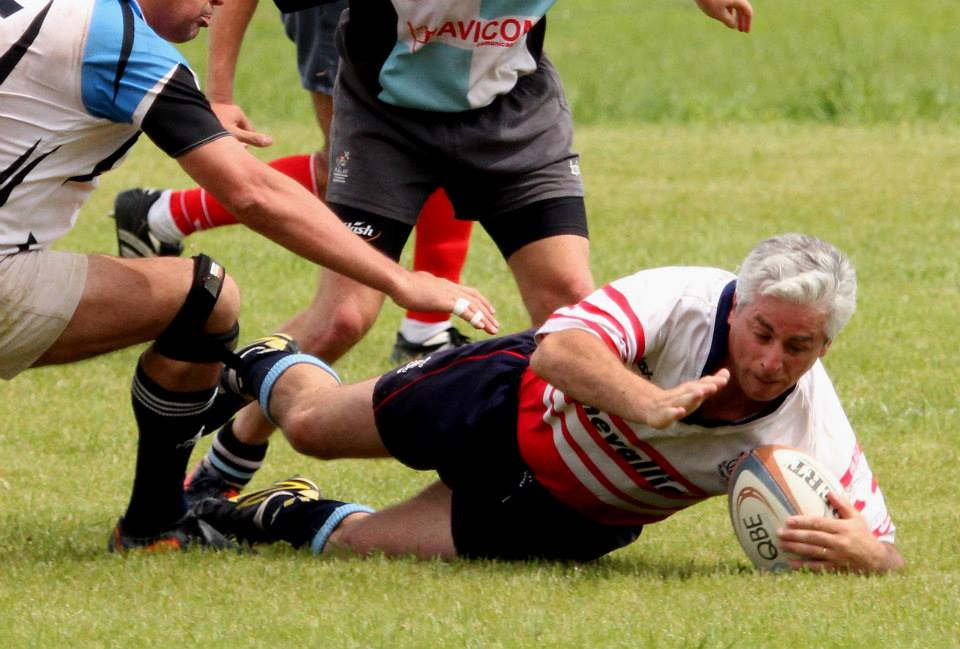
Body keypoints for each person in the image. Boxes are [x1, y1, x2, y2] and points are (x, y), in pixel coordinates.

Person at [165, 0, 755, 504]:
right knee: (342, 318)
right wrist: (217, 93)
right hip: (384, 123)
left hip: (515, 119)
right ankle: (229, 458)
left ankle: (564, 484)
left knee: (571, 307)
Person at [0, 0, 495, 553]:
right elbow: (253, 193)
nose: (218, 6)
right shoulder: (121, 45)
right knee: (206, 297)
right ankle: (155, 525)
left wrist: (206, 104)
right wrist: (402, 282)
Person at [193, 234, 904, 573]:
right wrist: (650, 402)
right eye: (762, 333)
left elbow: (887, 552)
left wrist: (865, 555)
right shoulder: (685, 296)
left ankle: (281, 508)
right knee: (313, 423)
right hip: (503, 403)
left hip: (569, 513)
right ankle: (258, 360)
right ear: (739, 306)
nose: (771, 361)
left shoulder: (809, 420)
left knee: (362, 545)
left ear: (825, 348)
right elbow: (558, 351)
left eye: (799, 346)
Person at [113, 0, 475, 364]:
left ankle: (427, 330)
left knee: (433, 147)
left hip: (437, 19)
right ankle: (167, 215)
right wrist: (220, 94)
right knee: (355, 177)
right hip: (348, 12)